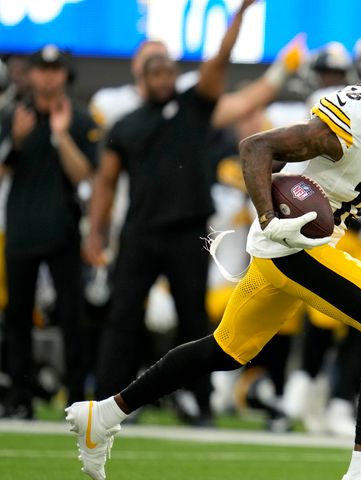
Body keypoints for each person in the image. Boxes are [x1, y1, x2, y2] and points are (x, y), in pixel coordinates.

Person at [66, 26, 361, 480]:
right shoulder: (352, 118)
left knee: (225, 349)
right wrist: (271, 219)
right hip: (293, 242)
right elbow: (255, 148)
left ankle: (102, 415)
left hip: (303, 243)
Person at [83, 0, 258, 424]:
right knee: (124, 317)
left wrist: (239, 16)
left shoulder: (194, 107)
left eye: (168, 72)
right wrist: (95, 234)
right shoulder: (126, 126)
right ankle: (111, 402)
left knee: (193, 320)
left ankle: (197, 400)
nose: (163, 78)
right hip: (140, 231)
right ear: (142, 80)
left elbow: (219, 60)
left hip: (188, 231)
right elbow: (105, 183)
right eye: (155, 72)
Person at [0, 45, 98, 417]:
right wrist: (18, 141)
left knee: (72, 316)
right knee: (17, 316)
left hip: (63, 229)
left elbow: (84, 175)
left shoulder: (80, 118)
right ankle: (20, 396)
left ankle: (76, 397)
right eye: (42, 69)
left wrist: (61, 135)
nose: (48, 77)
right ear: (33, 74)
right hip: (22, 227)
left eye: (55, 70)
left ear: (65, 75)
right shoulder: (12, 115)